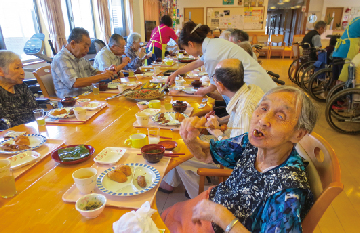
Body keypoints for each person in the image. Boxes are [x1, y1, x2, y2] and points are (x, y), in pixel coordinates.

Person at [161, 86, 317, 233]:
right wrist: (190, 139)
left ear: (298, 134)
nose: (263, 120)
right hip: (211, 204)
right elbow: (207, 155)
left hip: (218, 221)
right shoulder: (251, 143)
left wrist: (221, 216)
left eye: (280, 116)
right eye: (263, 108)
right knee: (158, 219)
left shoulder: (288, 191)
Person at [160, 59, 264, 197]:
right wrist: (220, 121)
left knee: (180, 154)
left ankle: (201, 196)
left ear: (219, 85)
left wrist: (217, 132)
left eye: (214, 78)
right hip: (233, 142)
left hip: (234, 161)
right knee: (190, 138)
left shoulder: (245, 110)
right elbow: (237, 120)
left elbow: (239, 153)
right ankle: (171, 182)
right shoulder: (251, 90)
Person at [167, 21, 276, 104]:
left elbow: (213, 85)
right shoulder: (213, 43)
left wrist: (202, 91)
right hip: (257, 82)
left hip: (255, 88)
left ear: (191, 44)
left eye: (185, 48)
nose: (186, 52)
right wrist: (175, 73)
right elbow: (197, 63)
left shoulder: (211, 54)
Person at [52, 27, 115, 98]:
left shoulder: (80, 58)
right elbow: (75, 83)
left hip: (89, 96)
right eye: (85, 47)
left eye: (88, 47)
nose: (87, 50)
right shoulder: (61, 59)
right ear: (73, 43)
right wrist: (102, 76)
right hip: (73, 102)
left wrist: (108, 72)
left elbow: (94, 72)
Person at [0, 51, 38, 129]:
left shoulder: (22, 86)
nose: (22, 72)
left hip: (31, 129)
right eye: (17, 68)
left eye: (22, 67)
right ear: (1, 71)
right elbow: (5, 122)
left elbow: (35, 110)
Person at [332, 16, 360, 82]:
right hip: (347, 51)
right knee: (344, 77)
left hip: (339, 51)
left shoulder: (356, 19)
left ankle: (336, 91)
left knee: (338, 79)